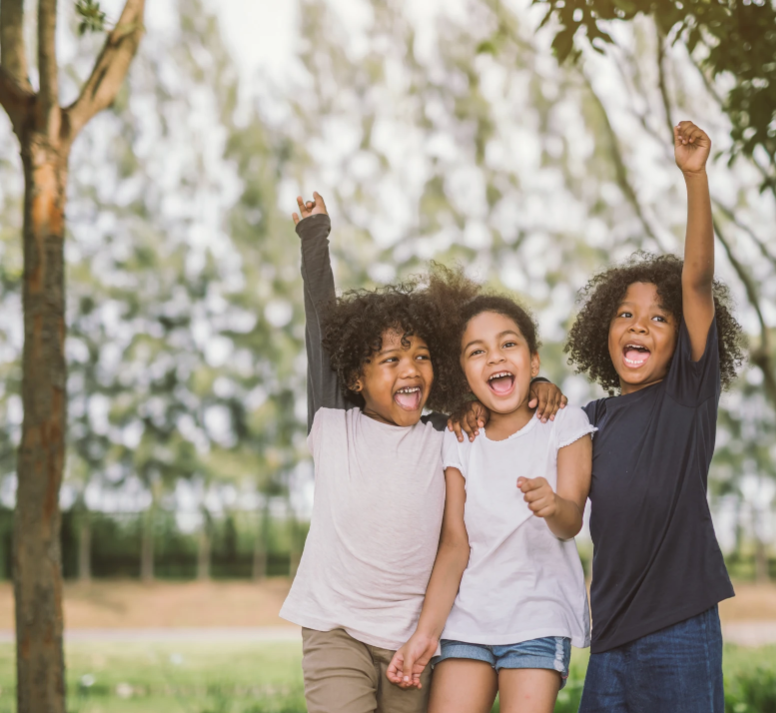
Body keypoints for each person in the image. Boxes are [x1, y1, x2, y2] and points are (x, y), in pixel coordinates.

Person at [282, 193, 567, 713]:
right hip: (335, 628)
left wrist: (537, 385)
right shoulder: (333, 423)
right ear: (354, 377)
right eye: (390, 359)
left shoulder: (446, 433)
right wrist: (314, 235)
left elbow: (496, 384)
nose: (410, 368)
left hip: (414, 638)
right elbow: (320, 326)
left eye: (421, 356)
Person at [564, 122, 744, 713]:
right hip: (610, 638)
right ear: (603, 330)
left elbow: (695, 279)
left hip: (679, 630)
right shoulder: (586, 420)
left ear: (679, 339)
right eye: (625, 313)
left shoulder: (687, 398)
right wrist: (538, 388)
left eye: (659, 319)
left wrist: (695, 178)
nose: (639, 325)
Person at [385, 286, 594, 713]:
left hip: (538, 617)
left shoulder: (564, 423)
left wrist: (553, 505)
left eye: (508, 344)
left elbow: (571, 521)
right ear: (463, 373)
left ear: (533, 361)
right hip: (468, 622)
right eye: (477, 352)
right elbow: (454, 545)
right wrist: (426, 633)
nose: (495, 357)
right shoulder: (460, 438)